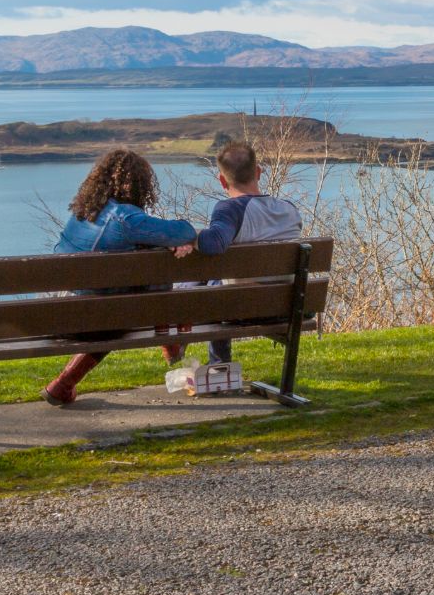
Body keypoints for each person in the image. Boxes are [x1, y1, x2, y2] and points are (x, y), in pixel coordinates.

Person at [42, 148, 199, 407]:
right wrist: (171, 244)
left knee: (113, 306)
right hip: (98, 319)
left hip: (56, 312)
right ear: (141, 185)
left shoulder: (82, 213)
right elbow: (185, 230)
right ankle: (169, 340)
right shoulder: (126, 218)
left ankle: (63, 385)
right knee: (127, 300)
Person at [192, 140, 303, 366]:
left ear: (222, 180)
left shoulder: (229, 209)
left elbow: (214, 243)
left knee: (197, 285)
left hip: (242, 307)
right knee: (215, 281)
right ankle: (218, 366)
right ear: (258, 172)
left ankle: (219, 366)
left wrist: (185, 235)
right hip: (287, 306)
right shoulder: (289, 210)